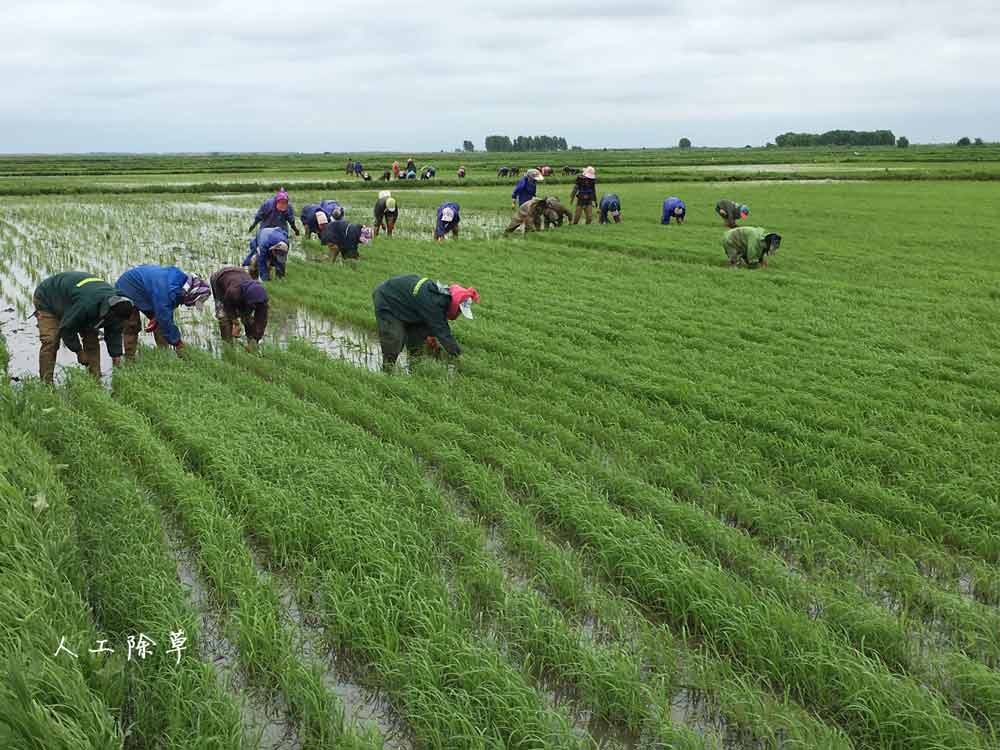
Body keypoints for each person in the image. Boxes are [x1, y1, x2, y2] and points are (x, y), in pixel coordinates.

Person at [32, 272, 134, 383]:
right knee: (50, 341)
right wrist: (79, 352)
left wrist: (116, 357)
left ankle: (94, 380)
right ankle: (46, 384)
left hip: (75, 299)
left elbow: (114, 332)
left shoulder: (120, 309)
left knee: (91, 337)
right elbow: (66, 328)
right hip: (48, 297)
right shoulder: (86, 305)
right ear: (106, 309)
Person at [372, 275, 479, 371]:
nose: (459, 313)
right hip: (387, 299)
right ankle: (387, 372)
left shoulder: (441, 297)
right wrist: (459, 355)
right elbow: (443, 332)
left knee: (418, 337)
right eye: (459, 311)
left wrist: (430, 335)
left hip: (408, 305)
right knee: (394, 339)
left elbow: (432, 322)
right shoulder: (434, 303)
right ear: (455, 303)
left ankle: (415, 368)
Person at [116, 265, 211, 358]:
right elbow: (165, 319)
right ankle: (130, 362)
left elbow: (165, 309)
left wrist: (157, 317)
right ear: (192, 294)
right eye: (194, 302)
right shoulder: (168, 292)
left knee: (160, 325)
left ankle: (163, 355)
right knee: (132, 326)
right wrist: (178, 343)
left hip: (147, 291)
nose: (193, 305)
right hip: (126, 288)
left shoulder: (181, 285)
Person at [210, 266, 269, 351]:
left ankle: (251, 344)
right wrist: (235, 323)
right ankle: (228, 347)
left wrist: (255, 339)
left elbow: (261, 321)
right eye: (252, 304)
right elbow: (228, 308)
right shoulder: (233, 293)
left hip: (239, 275)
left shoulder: (262, 299)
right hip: (219, 279)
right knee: (224, 318)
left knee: (247, 318)